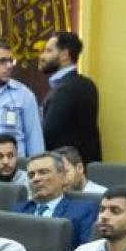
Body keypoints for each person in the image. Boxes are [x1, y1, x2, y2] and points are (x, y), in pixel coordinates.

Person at [38, 30, 101, 165]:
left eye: (49, 51)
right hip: (81, 167)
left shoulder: (66, 89)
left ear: (64, 55)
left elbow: (46, 135)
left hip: (66, 168)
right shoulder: (86, 84)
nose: (42, 56)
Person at [13, 150, 98, 249]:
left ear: (62, 177)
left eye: (43, 172)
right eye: (31, 175)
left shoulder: (83, 210)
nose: (35, 179)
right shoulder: (18, 211)